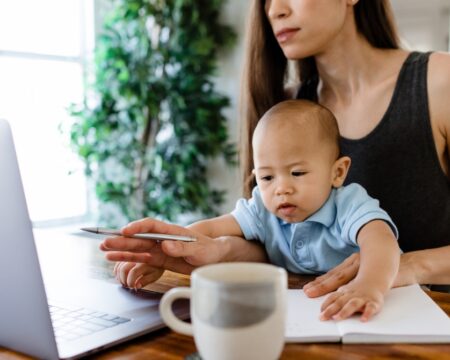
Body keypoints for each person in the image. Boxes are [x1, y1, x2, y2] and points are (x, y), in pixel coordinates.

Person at [101, 0, 450, 300]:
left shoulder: (440, 81)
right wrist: (201, 249)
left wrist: (405, 266)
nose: (275, 11)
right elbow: (277, 243)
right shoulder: (287, 111)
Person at [110, 100, 401, 321]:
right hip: (297, 307)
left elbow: (381, 241)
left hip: (376, 301)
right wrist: (167, 249)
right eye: (267, 177)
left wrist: (368, 285)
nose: (281, 188)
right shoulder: (263, 205)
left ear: (337, 172)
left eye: (297, 173)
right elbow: (212, 229)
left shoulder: (348, 202)